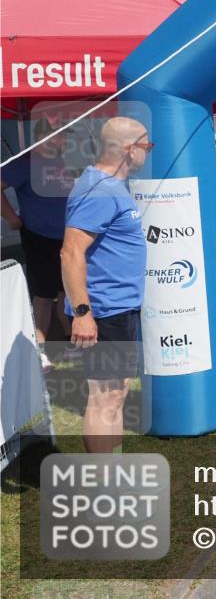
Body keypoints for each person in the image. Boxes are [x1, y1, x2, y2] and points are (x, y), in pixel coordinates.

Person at [61, 117, 151, 453]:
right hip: (104, 310)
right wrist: (83, 312)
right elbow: (70, 252)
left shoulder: (111, 185)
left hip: (119, 307)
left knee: (117, 392)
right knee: (105, 398)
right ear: (130, 150)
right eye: (146, 146)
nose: (148, 152)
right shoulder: (98, 190)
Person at [1, 117, 75, 370]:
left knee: (68, 291)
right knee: (43, 296)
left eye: (65, 135)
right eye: (59, 135)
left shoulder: (67, 163)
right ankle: (39, 351)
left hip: (68, 237)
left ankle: (70, 344)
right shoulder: (25, 164)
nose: (64, 140)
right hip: (39, 238)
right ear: (43, 137)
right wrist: (11, 217)